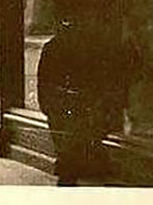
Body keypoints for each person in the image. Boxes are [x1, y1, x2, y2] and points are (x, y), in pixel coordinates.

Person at [38, 16, 125, 185]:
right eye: (65, 24)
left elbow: (95, 81)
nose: (68, 28)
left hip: (76, 107)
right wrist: (48, 106)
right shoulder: (52, 48)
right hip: (60, 107)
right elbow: (44, 80)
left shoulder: (84, 49)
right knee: (65, 146)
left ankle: (67, 178)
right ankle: (68, 178)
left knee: (70, 148)